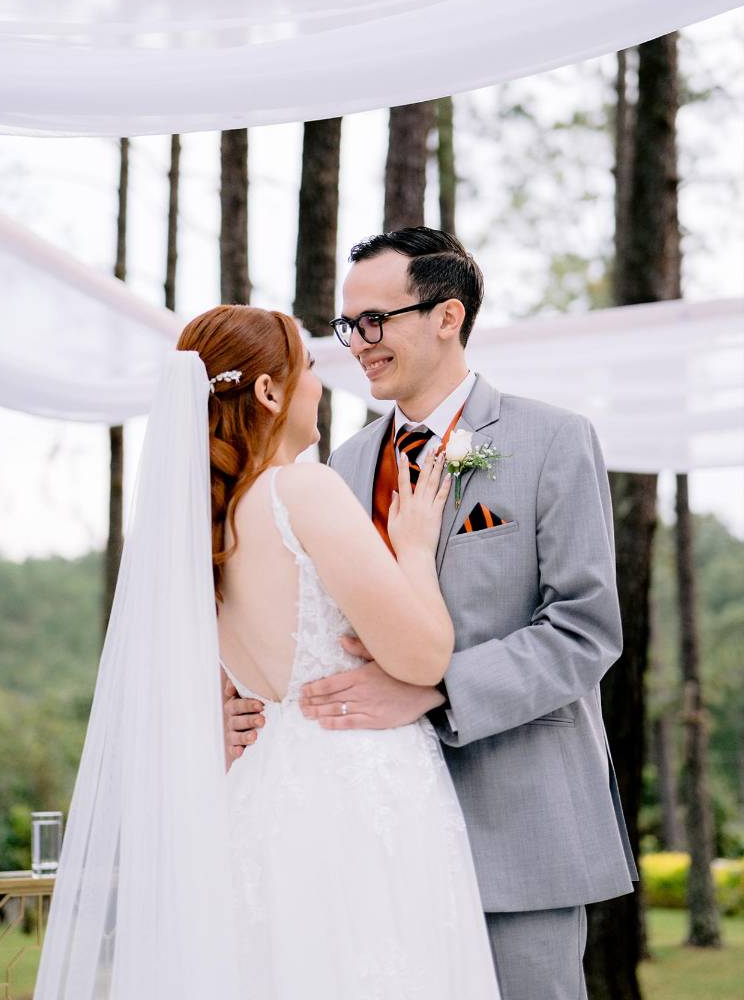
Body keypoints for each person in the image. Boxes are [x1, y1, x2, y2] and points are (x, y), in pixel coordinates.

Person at [226, 228, 638, 1000]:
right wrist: (237, 700)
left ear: (447, 316)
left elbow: (585, 627)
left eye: (375, 320)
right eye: (348, 326)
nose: (357, 343)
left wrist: (438, 687)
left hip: (517, 826)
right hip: (367, 835)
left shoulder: (552, 440)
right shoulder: (334, 468)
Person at [186, 304, 501, 999]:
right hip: (358, 795)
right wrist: (415, 550)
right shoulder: (303, 489)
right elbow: (421, 659)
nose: (320, 386)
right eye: (309, 368)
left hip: (265, 797)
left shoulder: (200, 528)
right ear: (269, 392)